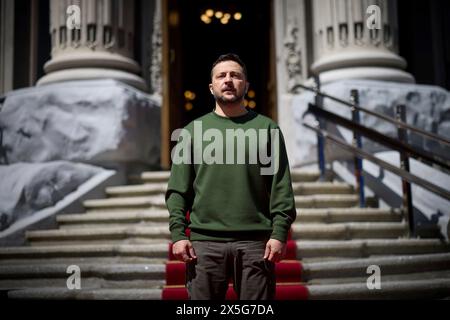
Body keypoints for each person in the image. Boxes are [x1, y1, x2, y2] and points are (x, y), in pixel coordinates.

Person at [165, 53, 296, 300]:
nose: (228, 80)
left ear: (245, 85)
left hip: (256, 244)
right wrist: (179, 235)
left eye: (235, 75)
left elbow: (280, 186)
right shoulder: (192, 131)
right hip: (204, 245)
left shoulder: (266, 129)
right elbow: (177, 191)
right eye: (221, 76)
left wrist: (279, 233)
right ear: (211, 86)